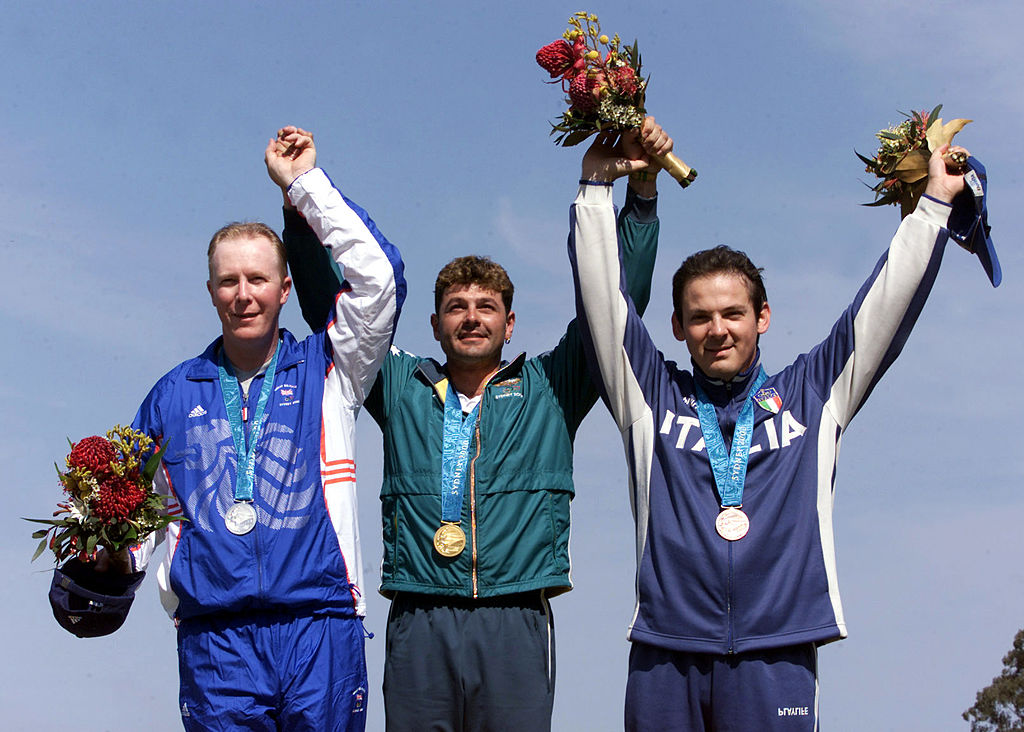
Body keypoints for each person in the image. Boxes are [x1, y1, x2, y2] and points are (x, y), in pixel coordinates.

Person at [569, 139, 992, 730]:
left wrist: (934, 206)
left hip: (779, 651)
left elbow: (882, 308)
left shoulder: (814, 395)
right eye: (699, 317)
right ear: (678, 327)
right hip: (666, 652)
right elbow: (601, 305)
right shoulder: (649, 396)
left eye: (733, 313)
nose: (717, 330)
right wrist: (594, 190)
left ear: (762, 317)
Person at [283, 120, 671, 731]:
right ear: (434, 325)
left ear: (510, 323)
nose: (471, 319)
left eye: (486, 307)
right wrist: (298, 201)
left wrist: (641, 198)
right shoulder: (398, 385)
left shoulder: (552, 387)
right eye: (456, 308)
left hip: (516, 615)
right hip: (419, 614)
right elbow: (326, 307)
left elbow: (615, 303)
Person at [50, 127, 406, 731]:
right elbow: (135, 519)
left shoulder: (334, 367)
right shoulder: (171, 395)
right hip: (216, 640)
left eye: (258, 279)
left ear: (286, 289)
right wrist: (102, 563)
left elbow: (379, 278)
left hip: (319, 628)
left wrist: (304, 185)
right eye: (228, 281)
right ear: (211, 291)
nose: (244, 295)